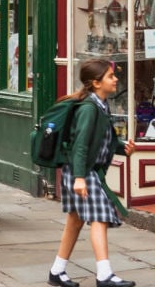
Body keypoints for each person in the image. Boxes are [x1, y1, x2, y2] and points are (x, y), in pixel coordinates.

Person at [47, 59, 137, 287]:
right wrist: (79, 178)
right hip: (83, 173)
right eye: (110, 76)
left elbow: (100, 141)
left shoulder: (101, 105)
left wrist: (121, 148)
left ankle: (57, 271)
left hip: (85, 172)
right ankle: (104, 274)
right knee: (99, 217)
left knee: (75, 221)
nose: (116, 79)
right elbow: (81, 145)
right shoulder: (89, 108)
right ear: (96, 83)